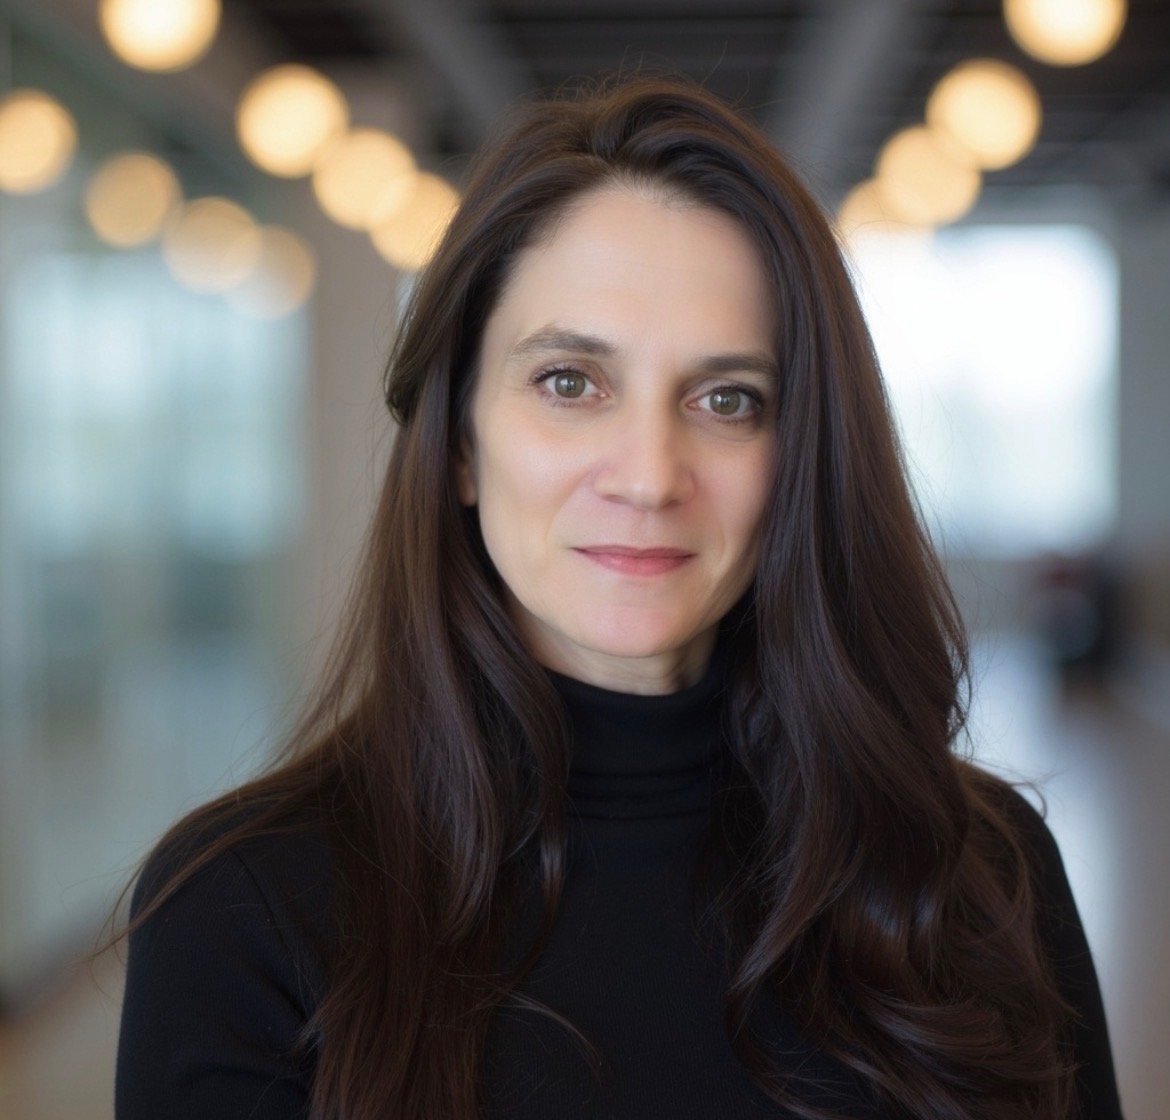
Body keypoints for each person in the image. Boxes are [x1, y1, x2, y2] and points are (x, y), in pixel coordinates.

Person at [104, 71, 1124, 1120]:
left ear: (802, 454)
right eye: (569, 383)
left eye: (728, 399)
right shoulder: (244, 910)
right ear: (458, 439)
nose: (647, 473)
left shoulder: (978, 871)